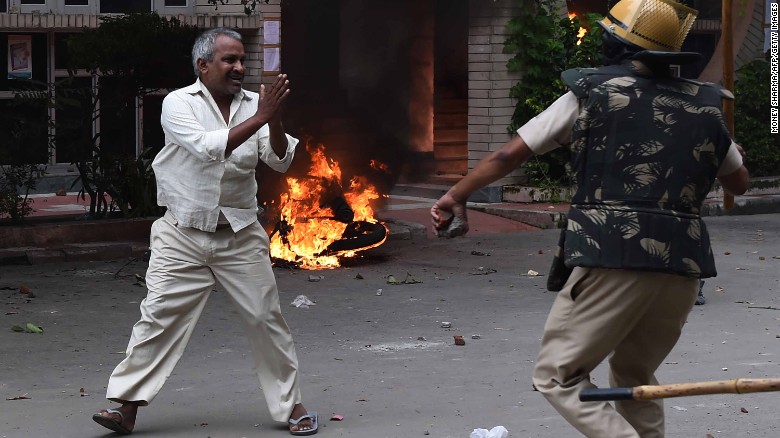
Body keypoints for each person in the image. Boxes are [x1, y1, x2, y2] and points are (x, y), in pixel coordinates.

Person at [431, 1, 749, 436]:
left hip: (612, 252)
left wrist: (455, 195)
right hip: (683, 265)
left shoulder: (592, 94)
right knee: (635, 375)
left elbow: (509, 154)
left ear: (615, 41)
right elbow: (740, 183)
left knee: (557, 376)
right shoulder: (706, 106)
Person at [92, 28, 318, 436]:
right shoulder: (178, 103)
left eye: (242, 60)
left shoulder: (256, 104)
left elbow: (280, 160)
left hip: (239, 232)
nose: (239, 68)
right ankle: (125, 407)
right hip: (181, 233)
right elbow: (208, 147)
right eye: (229, 60)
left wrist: (275, 118)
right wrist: (263, 118)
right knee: (158, 318)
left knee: (267, 319)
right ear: (203, 65)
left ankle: (293, 406)